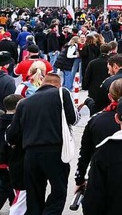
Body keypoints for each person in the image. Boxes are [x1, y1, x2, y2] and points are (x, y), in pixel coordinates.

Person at [6, 72, 79, 214]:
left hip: (31, 154)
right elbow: (74, 119)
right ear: (58, 85)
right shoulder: (61, 93)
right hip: (55, 151)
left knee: (34, 194)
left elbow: (12, 135)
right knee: (59, 191)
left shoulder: (24, 103)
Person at [75, 78, 122, 195]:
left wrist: (79, 179)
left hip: (101, 173)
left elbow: (84, 153)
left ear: (110, 96)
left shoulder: (96, 120)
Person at [83, 43, 113, 115]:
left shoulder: (93, 63)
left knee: (94, 111)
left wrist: (86, 86)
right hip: (108, 89)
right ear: (109, 51)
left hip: (94, 90)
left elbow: (87, 77)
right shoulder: (111, 63)